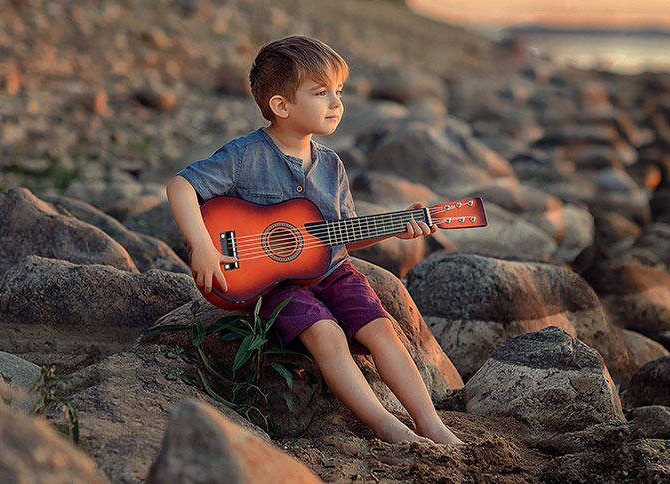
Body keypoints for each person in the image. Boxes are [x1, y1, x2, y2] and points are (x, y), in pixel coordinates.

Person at [165, 36, 463, 446]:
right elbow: (182, 185)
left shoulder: (332, 165)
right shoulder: (244, 155)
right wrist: (202, 244)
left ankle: (431, 424)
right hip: (273, 283)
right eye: (321, 93)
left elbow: (342, 236)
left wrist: (395, 227)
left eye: (338, 92)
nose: (337, 104)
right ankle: (385, 425)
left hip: (332, 271)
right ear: (281, 106)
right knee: (326, 334)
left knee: (382, 329)